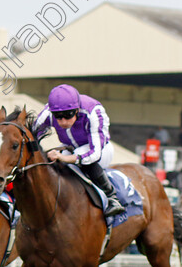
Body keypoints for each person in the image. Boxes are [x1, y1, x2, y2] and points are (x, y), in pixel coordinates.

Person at [34, 84, 125, 217]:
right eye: (58, 116)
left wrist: (64, 158)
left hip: (99, 150)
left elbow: (94, 154)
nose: (63, 121)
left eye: (68, 115)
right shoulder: (48, 112)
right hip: (69, 148)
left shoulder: (94, 111)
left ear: (76, 110)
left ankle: (112, 197)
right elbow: (31, 134)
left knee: (77, 157)